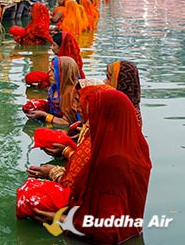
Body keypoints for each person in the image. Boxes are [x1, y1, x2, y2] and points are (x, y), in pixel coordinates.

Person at [36, 90, 151, 244]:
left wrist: (62, 220)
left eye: (94, 117)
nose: (91, 124)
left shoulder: (112, 162)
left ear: (106, 118)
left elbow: (108, 232)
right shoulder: (135, 148)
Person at [19, 81, 113, 219]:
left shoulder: (106, 142)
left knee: (28, 196)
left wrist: (54, 172)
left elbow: (88, 188)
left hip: (91, 213)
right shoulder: (94, 128)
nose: (75, 107)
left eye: (79, 101)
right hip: (85, 200)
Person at [25, 56, 80, 126]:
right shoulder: (54, 87)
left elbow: (67, 123)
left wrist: (44, 115)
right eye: (50, 70)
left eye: (54, 71)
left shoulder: (71, 94)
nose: (49, 74)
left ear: (64, 74)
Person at [105, 61, 142, 127]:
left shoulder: (124, 116)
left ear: (119, 82)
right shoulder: (131, 110)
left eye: (109, 78)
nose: (104, 82)